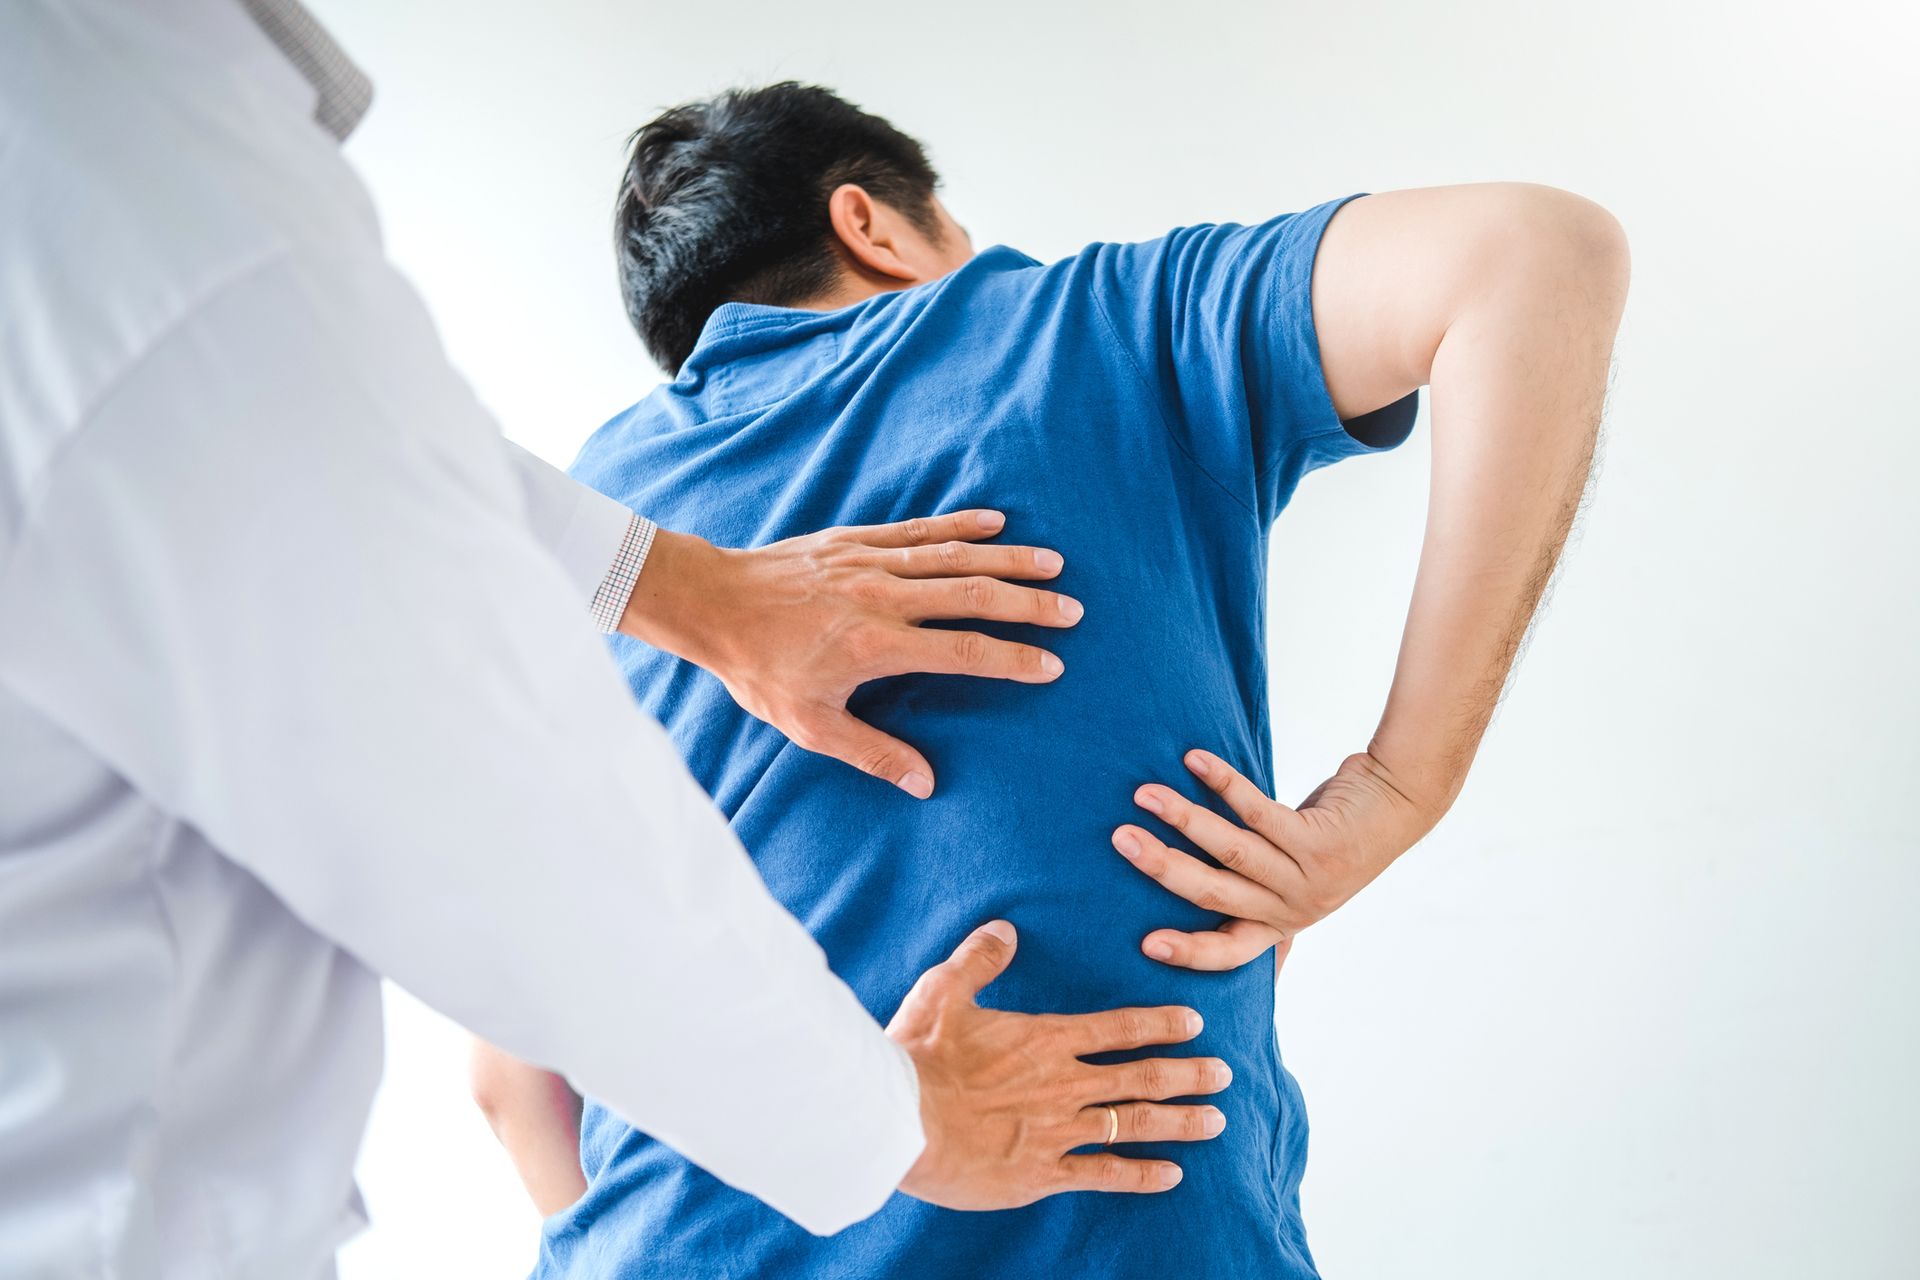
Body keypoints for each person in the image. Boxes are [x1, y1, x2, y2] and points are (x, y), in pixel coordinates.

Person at [0, 7, 1238, 1277]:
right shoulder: (137, 161)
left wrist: (688, 588)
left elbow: (504, 1080)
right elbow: (499, 822)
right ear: (869, 223)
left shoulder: (610, 472)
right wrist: (898, 1126)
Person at [471, 84, 1629, 1277]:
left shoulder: (585, 539)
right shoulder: (1085, 327)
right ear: (870, 223)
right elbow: (1538, 254)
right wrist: (1399, 782)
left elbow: (509, 1080)